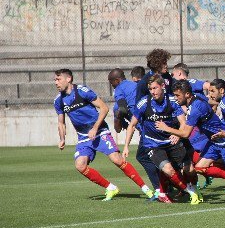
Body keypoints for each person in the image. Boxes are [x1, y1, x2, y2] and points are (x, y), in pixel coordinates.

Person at [156, 80, 225, 204]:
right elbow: (209, 102)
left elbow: (186, 134)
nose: (175, 98)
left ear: (187, 94)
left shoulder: (195, 108)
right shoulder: (196, 99)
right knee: (199, 167)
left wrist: (166, 128)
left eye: (178, 95)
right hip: (214, 142)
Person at [54, 69, 153, 201]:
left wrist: (95, 128)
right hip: (84, 137)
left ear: (69, 79)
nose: (56, 82)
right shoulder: (58, 101)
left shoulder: (82, 92)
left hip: (100, 132)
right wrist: (62, 139)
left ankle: (146, 190)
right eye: (55, 80)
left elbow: (104, 108)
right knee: (80, 165)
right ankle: (111, 188)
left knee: (117, 160)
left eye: (58, 79)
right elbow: (61, 123)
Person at [124, 74, 200, 204]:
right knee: (168, 170)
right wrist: (126, 146)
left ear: (163, 86)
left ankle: (189, 189)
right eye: (150, 89)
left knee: (190, 170)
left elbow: (183, 122)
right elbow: (132, 125)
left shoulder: (172, 101)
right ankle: (190, 192)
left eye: (155, 88)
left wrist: (177, 134)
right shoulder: (144, 103)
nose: (153, 92)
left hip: (171, 141)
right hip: (153, 144)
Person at [108, 68, 161, 193]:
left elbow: (122, 109)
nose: (112, 85)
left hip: (146, 129)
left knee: (143, 157)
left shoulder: (119, 89)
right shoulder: (136, 85)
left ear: (116, 80)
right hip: (156, 122)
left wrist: (121, 121)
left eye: (111, 82)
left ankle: (160, 189)